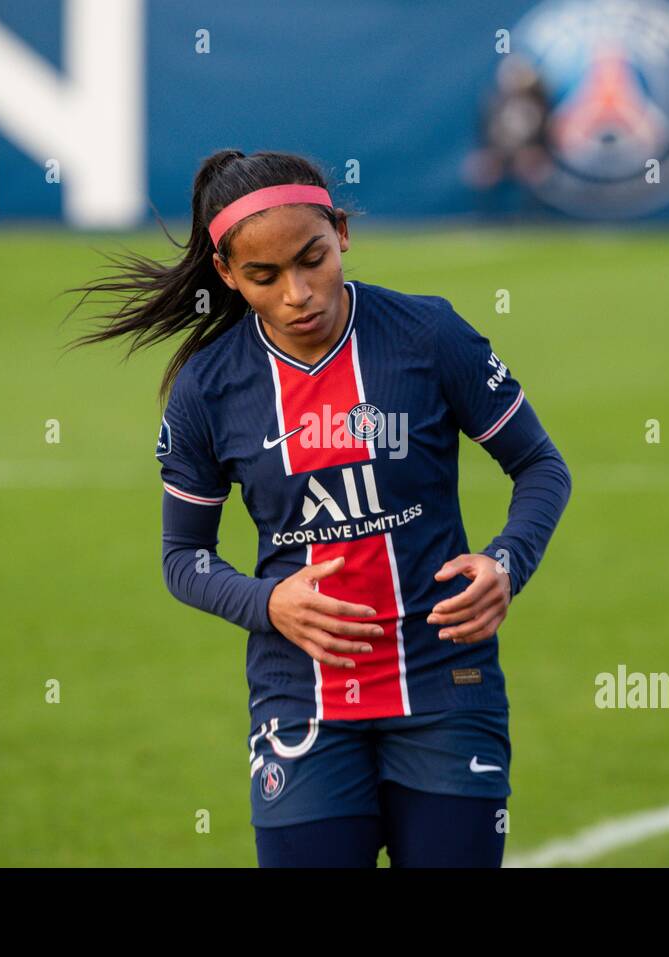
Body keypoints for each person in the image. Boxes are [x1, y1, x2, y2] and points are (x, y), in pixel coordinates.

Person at [69, 149, 571, 867]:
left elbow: (540, 465)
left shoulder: (429, 336)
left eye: (312, 258)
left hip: (445, 687)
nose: (298, 293)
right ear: (227, 274)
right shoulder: (208, 390)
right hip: (300, 701)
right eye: (264, 277)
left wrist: (505, 562)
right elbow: (184, 558)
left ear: (341, 232)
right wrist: (267, 602)